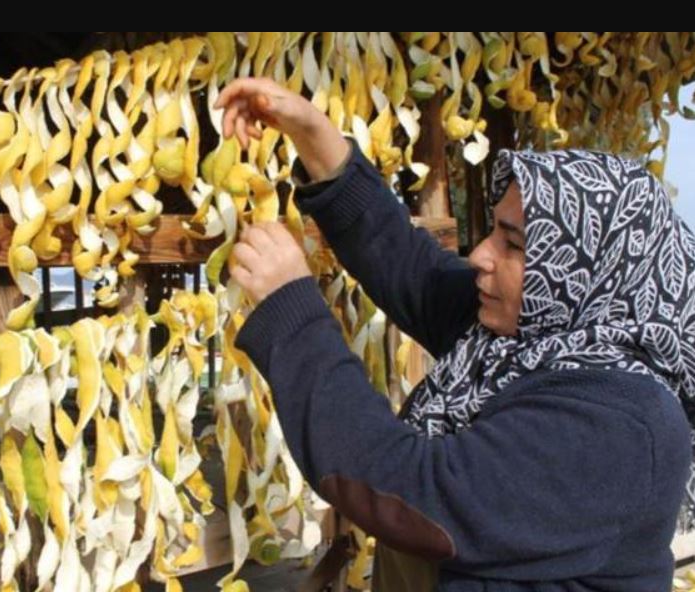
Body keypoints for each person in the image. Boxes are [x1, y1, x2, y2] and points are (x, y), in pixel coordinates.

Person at [218, 77, 695, 591]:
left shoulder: (623, 423)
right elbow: (410, 267)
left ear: (581, 272)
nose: (480, 255)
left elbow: (416, 489)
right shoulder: (527, 339)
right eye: (493, 229)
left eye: (512, 243)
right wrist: (314, 134)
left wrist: (294, 312)